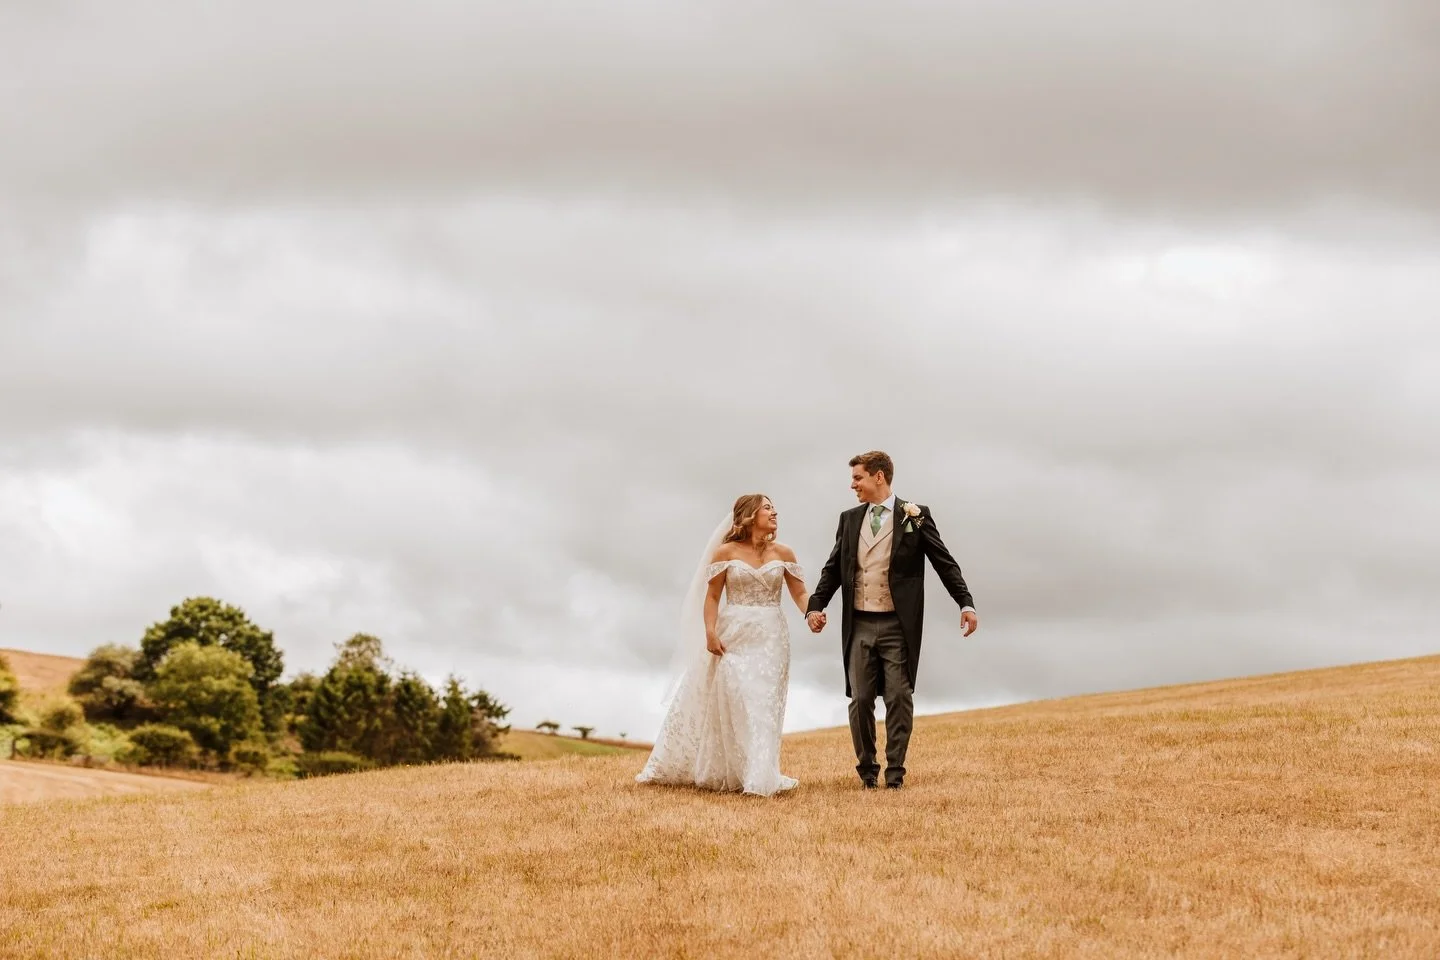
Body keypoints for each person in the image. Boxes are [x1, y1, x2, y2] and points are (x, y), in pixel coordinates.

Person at [806, 451, 978, 790]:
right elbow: (833, 568)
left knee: (899, 695)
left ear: (879, 477)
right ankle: (867, 771)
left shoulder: (915, 515)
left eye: (858, 477)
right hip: (858, 624)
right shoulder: (849, 519)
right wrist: (815, 605)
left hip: (897, 625)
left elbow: (945, 563)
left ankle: (895, 772)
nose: (852, 484)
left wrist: (965, 603)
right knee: (860, 699)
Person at [636, 494, 808, 796]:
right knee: (738, 699)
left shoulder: (784, 552)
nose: (774, 512)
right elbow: (713, 596)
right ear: (749, 515)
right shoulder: (725, 552)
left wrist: (812, 614)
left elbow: (800, 593)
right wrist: (710, 632)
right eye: (767, 507)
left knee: (764, 704)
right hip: (734, 636)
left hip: (771, 637)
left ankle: (758, 777)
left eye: (773, 507)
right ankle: (737, 769)